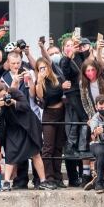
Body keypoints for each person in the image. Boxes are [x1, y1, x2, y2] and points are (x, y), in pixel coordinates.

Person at [0, 82, 55, 191]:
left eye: (4, 95)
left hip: (27, 128)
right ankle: (6, 182)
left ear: (7, 91)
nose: (2, 98)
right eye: (0, 96)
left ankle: (43, 181)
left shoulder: (15, 92)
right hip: (12, 130)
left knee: (35, 153)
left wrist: (13, 102)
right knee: (10, 156)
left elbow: (26, 106)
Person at [35, 57, 67, 187]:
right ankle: (49, 177)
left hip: (61, 113)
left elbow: (62, 91)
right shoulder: (40, 82)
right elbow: (40, 96)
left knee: (59, 146)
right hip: (49, 114)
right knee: (48, 147)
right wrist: (39, 79)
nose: (44, 70)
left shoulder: (57, 78)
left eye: (45, 67)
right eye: (40, 68)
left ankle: (58, 177)